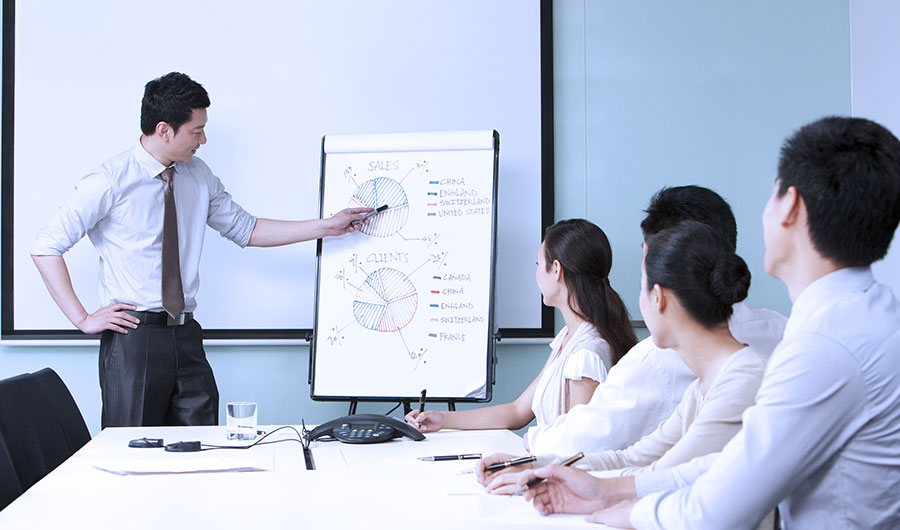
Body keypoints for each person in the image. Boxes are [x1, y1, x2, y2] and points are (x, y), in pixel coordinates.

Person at [524, 117, 900, 529]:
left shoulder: (824, 346)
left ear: (790, 204)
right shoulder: (860, 317)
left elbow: (718, 508)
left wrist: (621, 509)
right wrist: (606, 490)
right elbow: (730, 466)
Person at [30, 72, 370, 429]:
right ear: (164, 130)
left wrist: (327, 226)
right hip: (135, 338)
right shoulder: (109, 180)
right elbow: (46, 246)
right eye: (197, 131)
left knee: (204, 445)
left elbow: (247, 228)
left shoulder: (198, 175)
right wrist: (82, 319)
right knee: (130, 450)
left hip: (186, 334)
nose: (203, 140)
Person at [482, 220, 766, 495]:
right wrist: (536, 466)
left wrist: (583, 485)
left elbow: (664, 474)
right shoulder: (702, 387)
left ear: (658, 298)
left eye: (642, 286)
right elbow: (633, 458)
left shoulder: (741, 380)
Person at [517, 186, 786, 458]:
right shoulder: (783, 330)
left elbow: (580, 442)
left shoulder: (652, 360)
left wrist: (531, 444)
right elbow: (648, 460)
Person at [405, 219, 637, 432]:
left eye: (538, 263)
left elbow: (578, 448)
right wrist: (442, 419)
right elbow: (517, 411)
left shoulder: (585, 354)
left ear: (556, 269)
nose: (536, 273)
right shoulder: (569, 337)